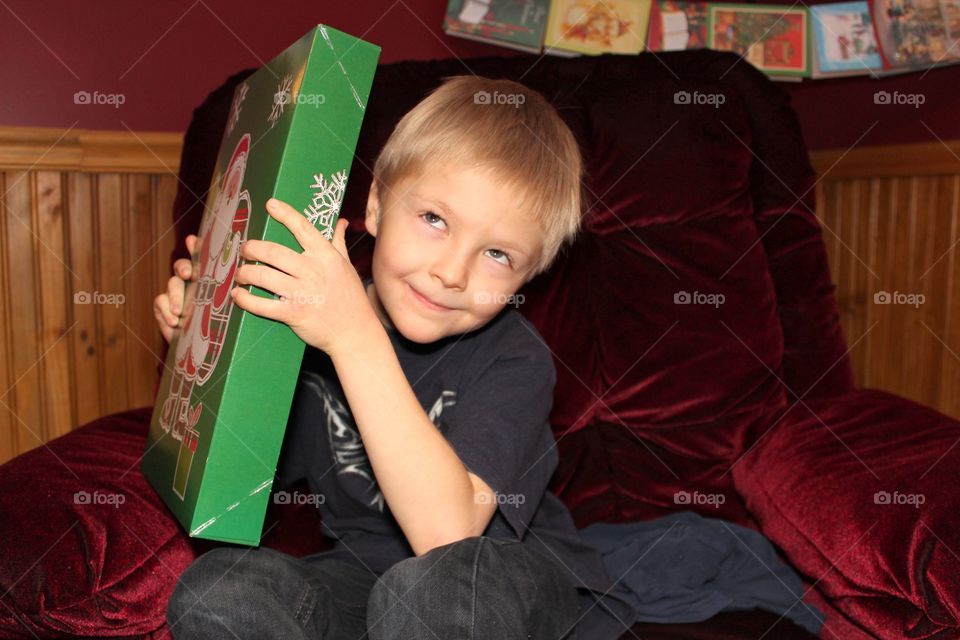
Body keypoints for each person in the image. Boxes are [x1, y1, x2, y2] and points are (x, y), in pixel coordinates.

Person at [154, 75, 636, 640]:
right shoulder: (306, 323)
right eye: (434, 219)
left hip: (505, 585)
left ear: (529, 277)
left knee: (432, 590)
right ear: (377, 206)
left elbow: (449, 533)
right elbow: (238, 484)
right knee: (222, 587)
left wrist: (354, 338)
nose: (453, 272)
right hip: (362, 578)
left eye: (499, 254)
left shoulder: (515, 360)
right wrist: (204, 344)